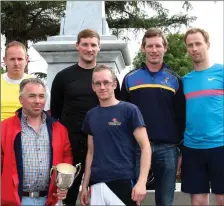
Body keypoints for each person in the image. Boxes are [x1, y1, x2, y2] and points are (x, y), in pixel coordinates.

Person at [50, 29, 121, 205]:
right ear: (77, 46)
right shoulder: (63, 77)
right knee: (67, 196)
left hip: (101, 146)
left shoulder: (107, 78)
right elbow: (56, 112)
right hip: (71, 145)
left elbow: (117, 109)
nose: (89, 49)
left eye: (93, 45)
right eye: (85, 44)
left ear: (99, 48)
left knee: (101, 195)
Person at [120, 28, 186, 206]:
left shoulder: (175, 80)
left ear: (165, 48)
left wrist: (180, 148)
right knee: (132, 199)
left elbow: (181, 117)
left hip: (167, 149)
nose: (154, 50)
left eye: (158, 45)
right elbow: (122, 115)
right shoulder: (130, 79)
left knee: (165, 201)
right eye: (150, 46)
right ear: (143, 48)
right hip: (136, 148)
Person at [80, 64, 151, 206]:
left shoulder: (129, 110)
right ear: (93, 87)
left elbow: (145, 147)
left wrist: (142, 182)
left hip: (123, 182)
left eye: (106, 82)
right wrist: (85, 185)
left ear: (114, 84)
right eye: (98, 83)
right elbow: (90, 152)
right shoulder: (91, 115)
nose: (102, 87)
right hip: (96, 183)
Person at [1, 78, 73, 206]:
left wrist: (64, 185)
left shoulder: (59, 129)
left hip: (50, 199)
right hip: (17, 200)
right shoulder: (4, 128)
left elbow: (66, 157)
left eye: (41, 96)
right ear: (21, 100)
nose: (38, 101)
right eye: (32, 96)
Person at [181, 28, 224, 206]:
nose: (194, 48)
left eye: (198, 43)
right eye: (190, 45)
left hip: (220, 145)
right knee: (198, 201)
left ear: (207, 44)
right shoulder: (185, 80)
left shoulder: (221, 72)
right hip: (192, 148)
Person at [1, 41, 50, 121]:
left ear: (26, 60)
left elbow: (46, 113)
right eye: (12, 59)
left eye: (20, 59)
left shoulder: (38, 85)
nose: (16, 63)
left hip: (26, 130)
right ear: (5, 60)